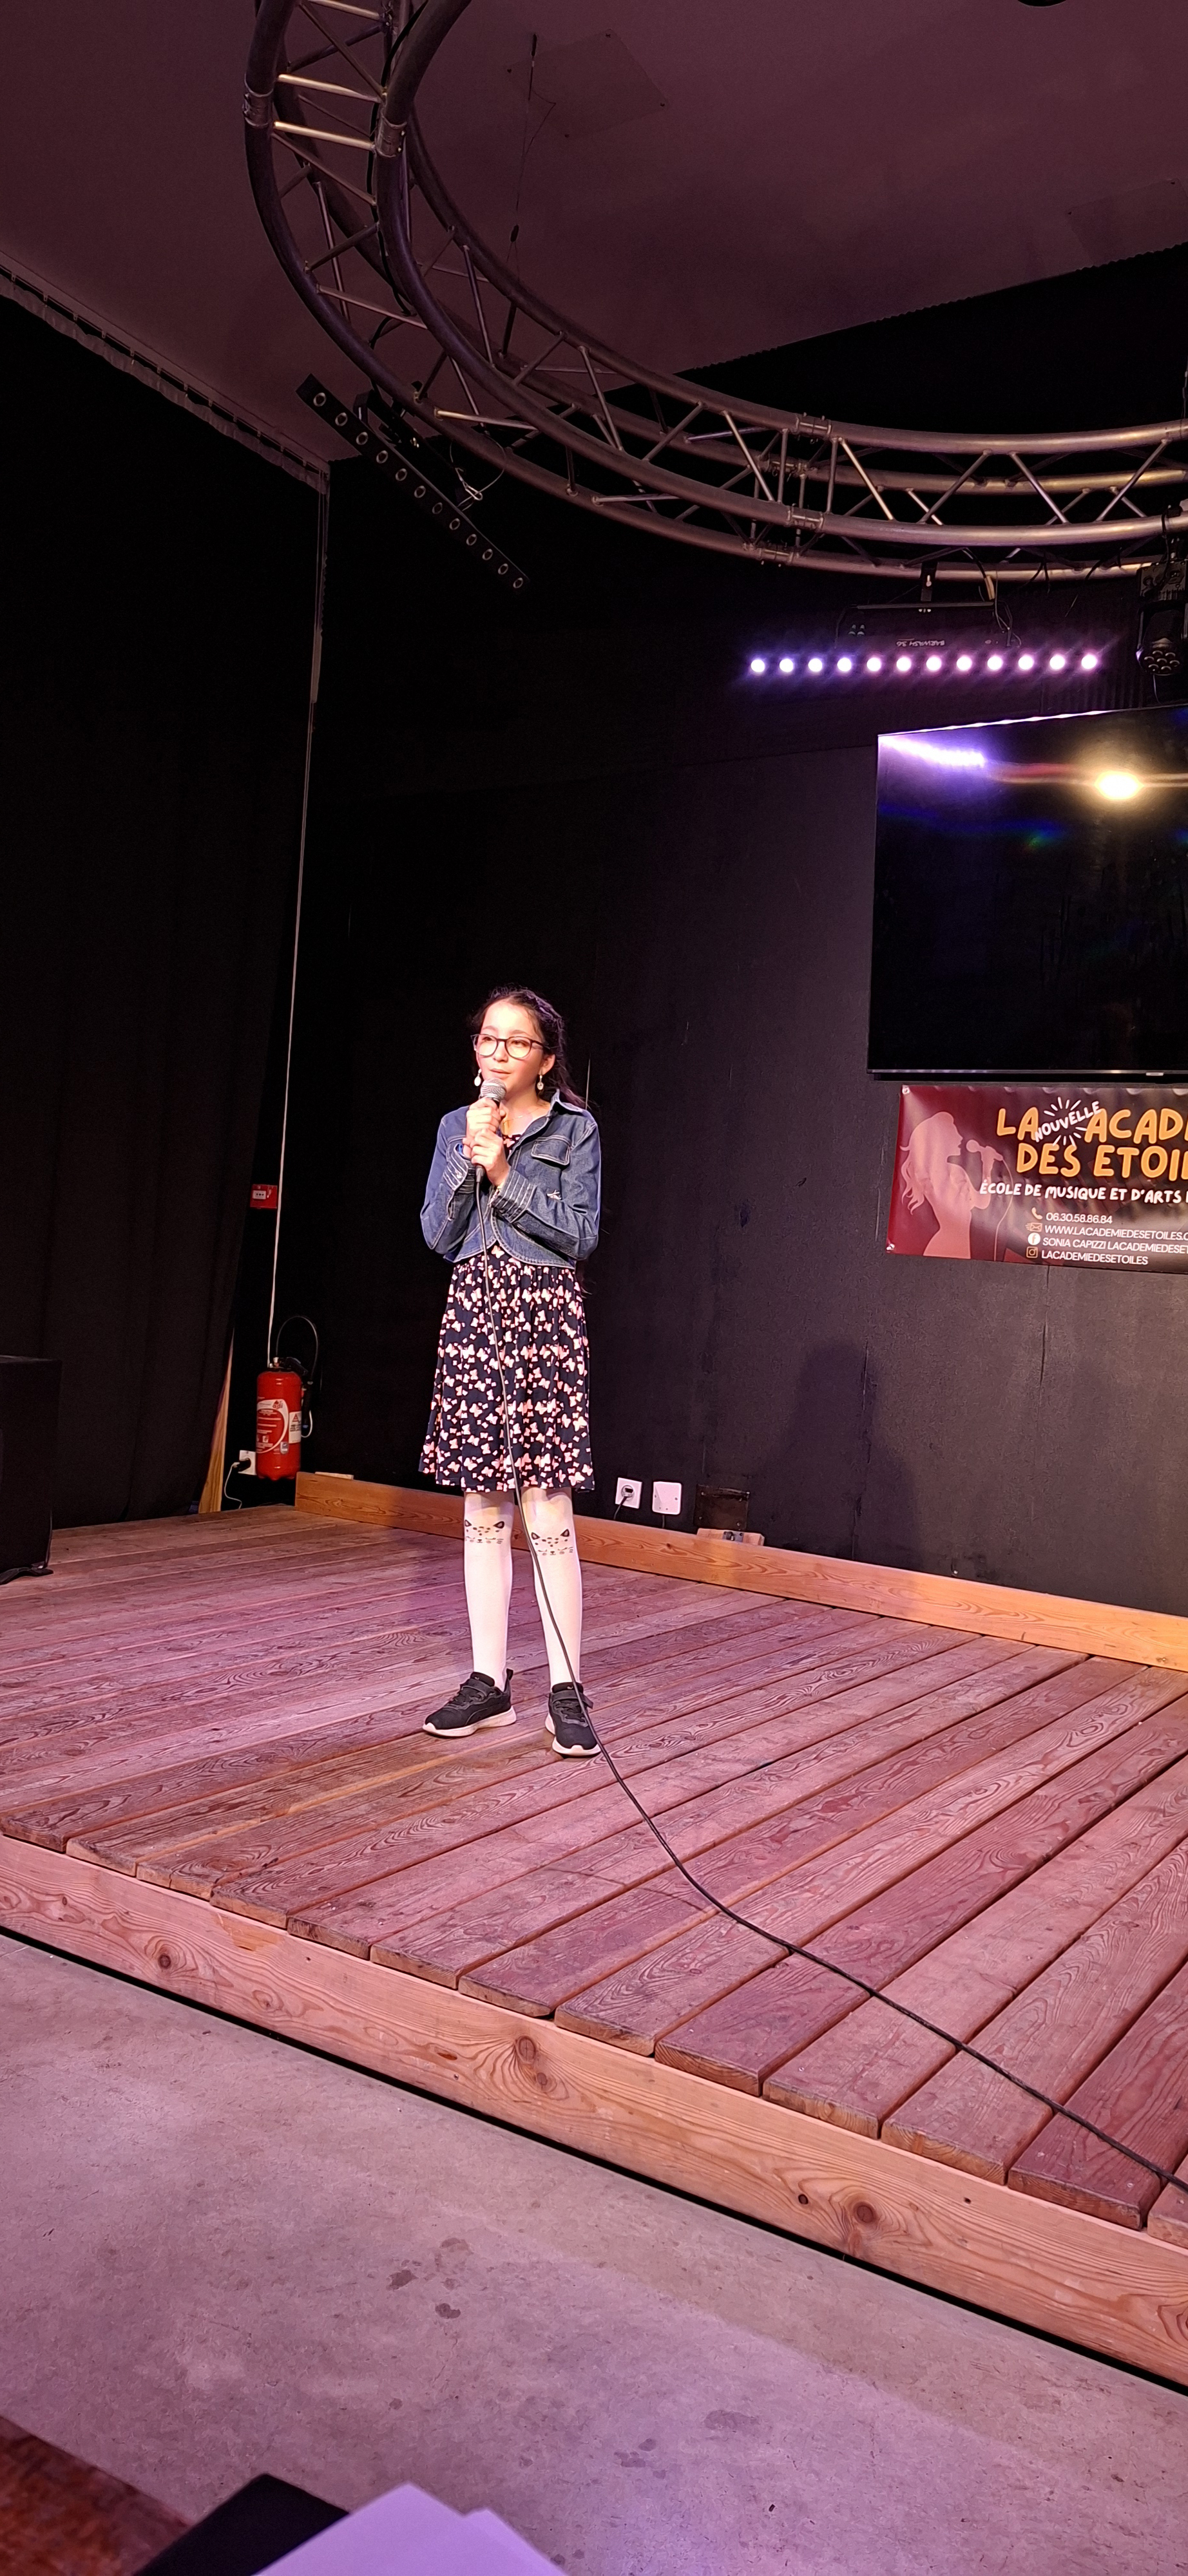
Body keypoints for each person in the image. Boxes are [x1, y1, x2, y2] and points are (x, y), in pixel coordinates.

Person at [419, 986, 602, 1757]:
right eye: (487, 1039)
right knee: (483, 1503)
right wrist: (473, 1155)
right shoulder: (455, 1127)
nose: (497, 1053)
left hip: (543, 1320)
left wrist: (504, 1172)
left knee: (546, 1506)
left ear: (545, 1059)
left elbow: (581, 1235)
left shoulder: (574, 1129)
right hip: (475, 1314)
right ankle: (487, 1682)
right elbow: (437, 1233)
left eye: (516, 1042)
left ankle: (566, 1688)